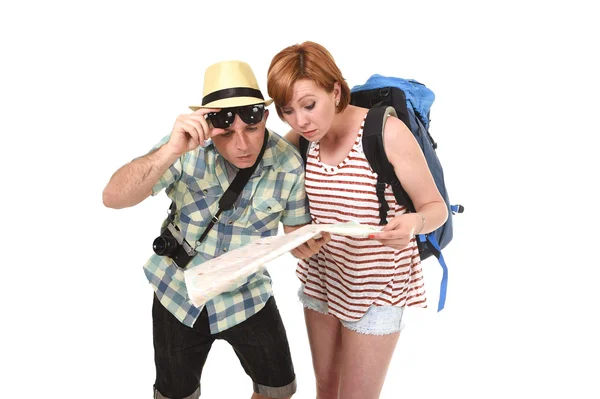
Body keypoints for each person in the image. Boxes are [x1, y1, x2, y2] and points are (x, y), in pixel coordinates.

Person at [102, 60, 329, 399]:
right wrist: (170, 150)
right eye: (227, 133)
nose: (243, 145)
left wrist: (309, 242)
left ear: (265, 117)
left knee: (279, 389)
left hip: (247, 295)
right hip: (178, 294)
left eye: (251, 129)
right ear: (208, 125)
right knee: (175, 393)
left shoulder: (288, 164)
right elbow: (113, 197)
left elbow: (295, 236)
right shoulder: (185, 151)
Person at [266, 42, 449, 399]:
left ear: (335, 91)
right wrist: (293, 234)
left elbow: (434, 208)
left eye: (309, 105)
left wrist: (413, 223)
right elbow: (269, 181)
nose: (300, 121)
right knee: (326, 391)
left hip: (378, 289)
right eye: (287, 110)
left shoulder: (386, 134)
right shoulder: (302, 141)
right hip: (322, 281)